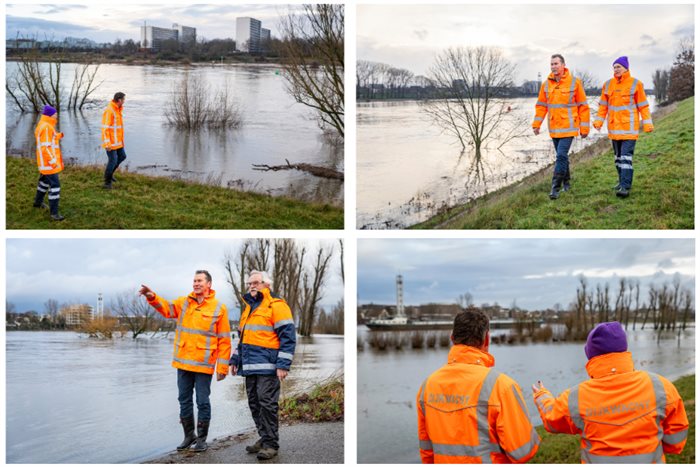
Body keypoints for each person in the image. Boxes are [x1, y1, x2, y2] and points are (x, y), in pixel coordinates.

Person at [532, 321, 688, 463]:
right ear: (624, 349)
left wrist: (542, 395)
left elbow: (552, 419)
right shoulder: (661, 386)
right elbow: (676, 441)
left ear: (591, 356)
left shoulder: (576, 397)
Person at [416, 309, 539, 463]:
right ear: (487, 339)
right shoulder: (502, 387)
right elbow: (523, 451)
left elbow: (427, 453)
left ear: (452, 338)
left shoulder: (427, 386)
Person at [139, 270, 231, 453]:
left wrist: (222, 367)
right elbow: (166, 308)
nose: (196, 284)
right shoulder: (184, 302)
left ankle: (202, 439)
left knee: (203, 401)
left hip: (204, 364)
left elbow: (225, 340)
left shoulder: (219, 308)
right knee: (183, 399)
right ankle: (189, 436)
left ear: (209, 284)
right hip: (183, 363)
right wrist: (151, 296)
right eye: (194, 281)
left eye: (200, 281)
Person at [230, 270, 296, 460]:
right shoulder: (248, 309)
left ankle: (270, 444)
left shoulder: (277, 305)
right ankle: (264, 436)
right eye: (249, 283)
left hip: (268, 366)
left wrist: (283, 364)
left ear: (267, 284)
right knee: (254, 403)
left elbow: (288, 337)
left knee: (267, 404)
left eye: (256, 282)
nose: (252, 286)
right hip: (249, 367)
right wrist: (235, 359)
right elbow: (243, 339)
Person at [593, 56, 653, 198]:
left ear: (626, 68)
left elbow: (643, 106)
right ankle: (621, 181)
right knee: (618, 159)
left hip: (629, 130)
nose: (616, 69)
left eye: (619, 66)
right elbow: (603, 107)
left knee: (626, 158)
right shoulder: (608, 85)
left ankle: (625, 187)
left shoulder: (636, 84)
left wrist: (647, 123)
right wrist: (598, 122)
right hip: (614, 130)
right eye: (614, 67)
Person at [532, 54, 590, 199]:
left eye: (556, 63)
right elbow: (541, 106)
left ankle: (555, 187)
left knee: (561, 156)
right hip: (554, 128)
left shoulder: (575, 83)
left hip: (569, 127)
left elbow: (583, 107)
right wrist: (536, 124)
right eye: (551, 64)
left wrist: (584, 128)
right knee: (562, 157)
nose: (553, 66)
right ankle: (567, 183)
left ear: (563, 65)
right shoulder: (545, 84)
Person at [34, 104, 65, 221]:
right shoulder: (47, 127)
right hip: (48, 163)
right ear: (50, 115)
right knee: (55, 186)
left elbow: (48, 138)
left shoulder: (43, 125)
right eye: (55, 114)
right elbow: (45, 147)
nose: (57, 116)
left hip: (43, 162)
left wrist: (58, 135)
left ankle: (38, 202)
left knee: (44, 182)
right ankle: (54, 213)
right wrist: (53, 162)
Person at [101, 92, 127, 189]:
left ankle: (110, 174)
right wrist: (107, 144)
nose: (124, 101)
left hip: (118, 142)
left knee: (122, 156)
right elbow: (105, 128)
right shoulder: (110, 110)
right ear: (119, 100)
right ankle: (107, 182)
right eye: (123, 99)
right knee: (113, 161)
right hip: (111, 143)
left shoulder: (118, 110)